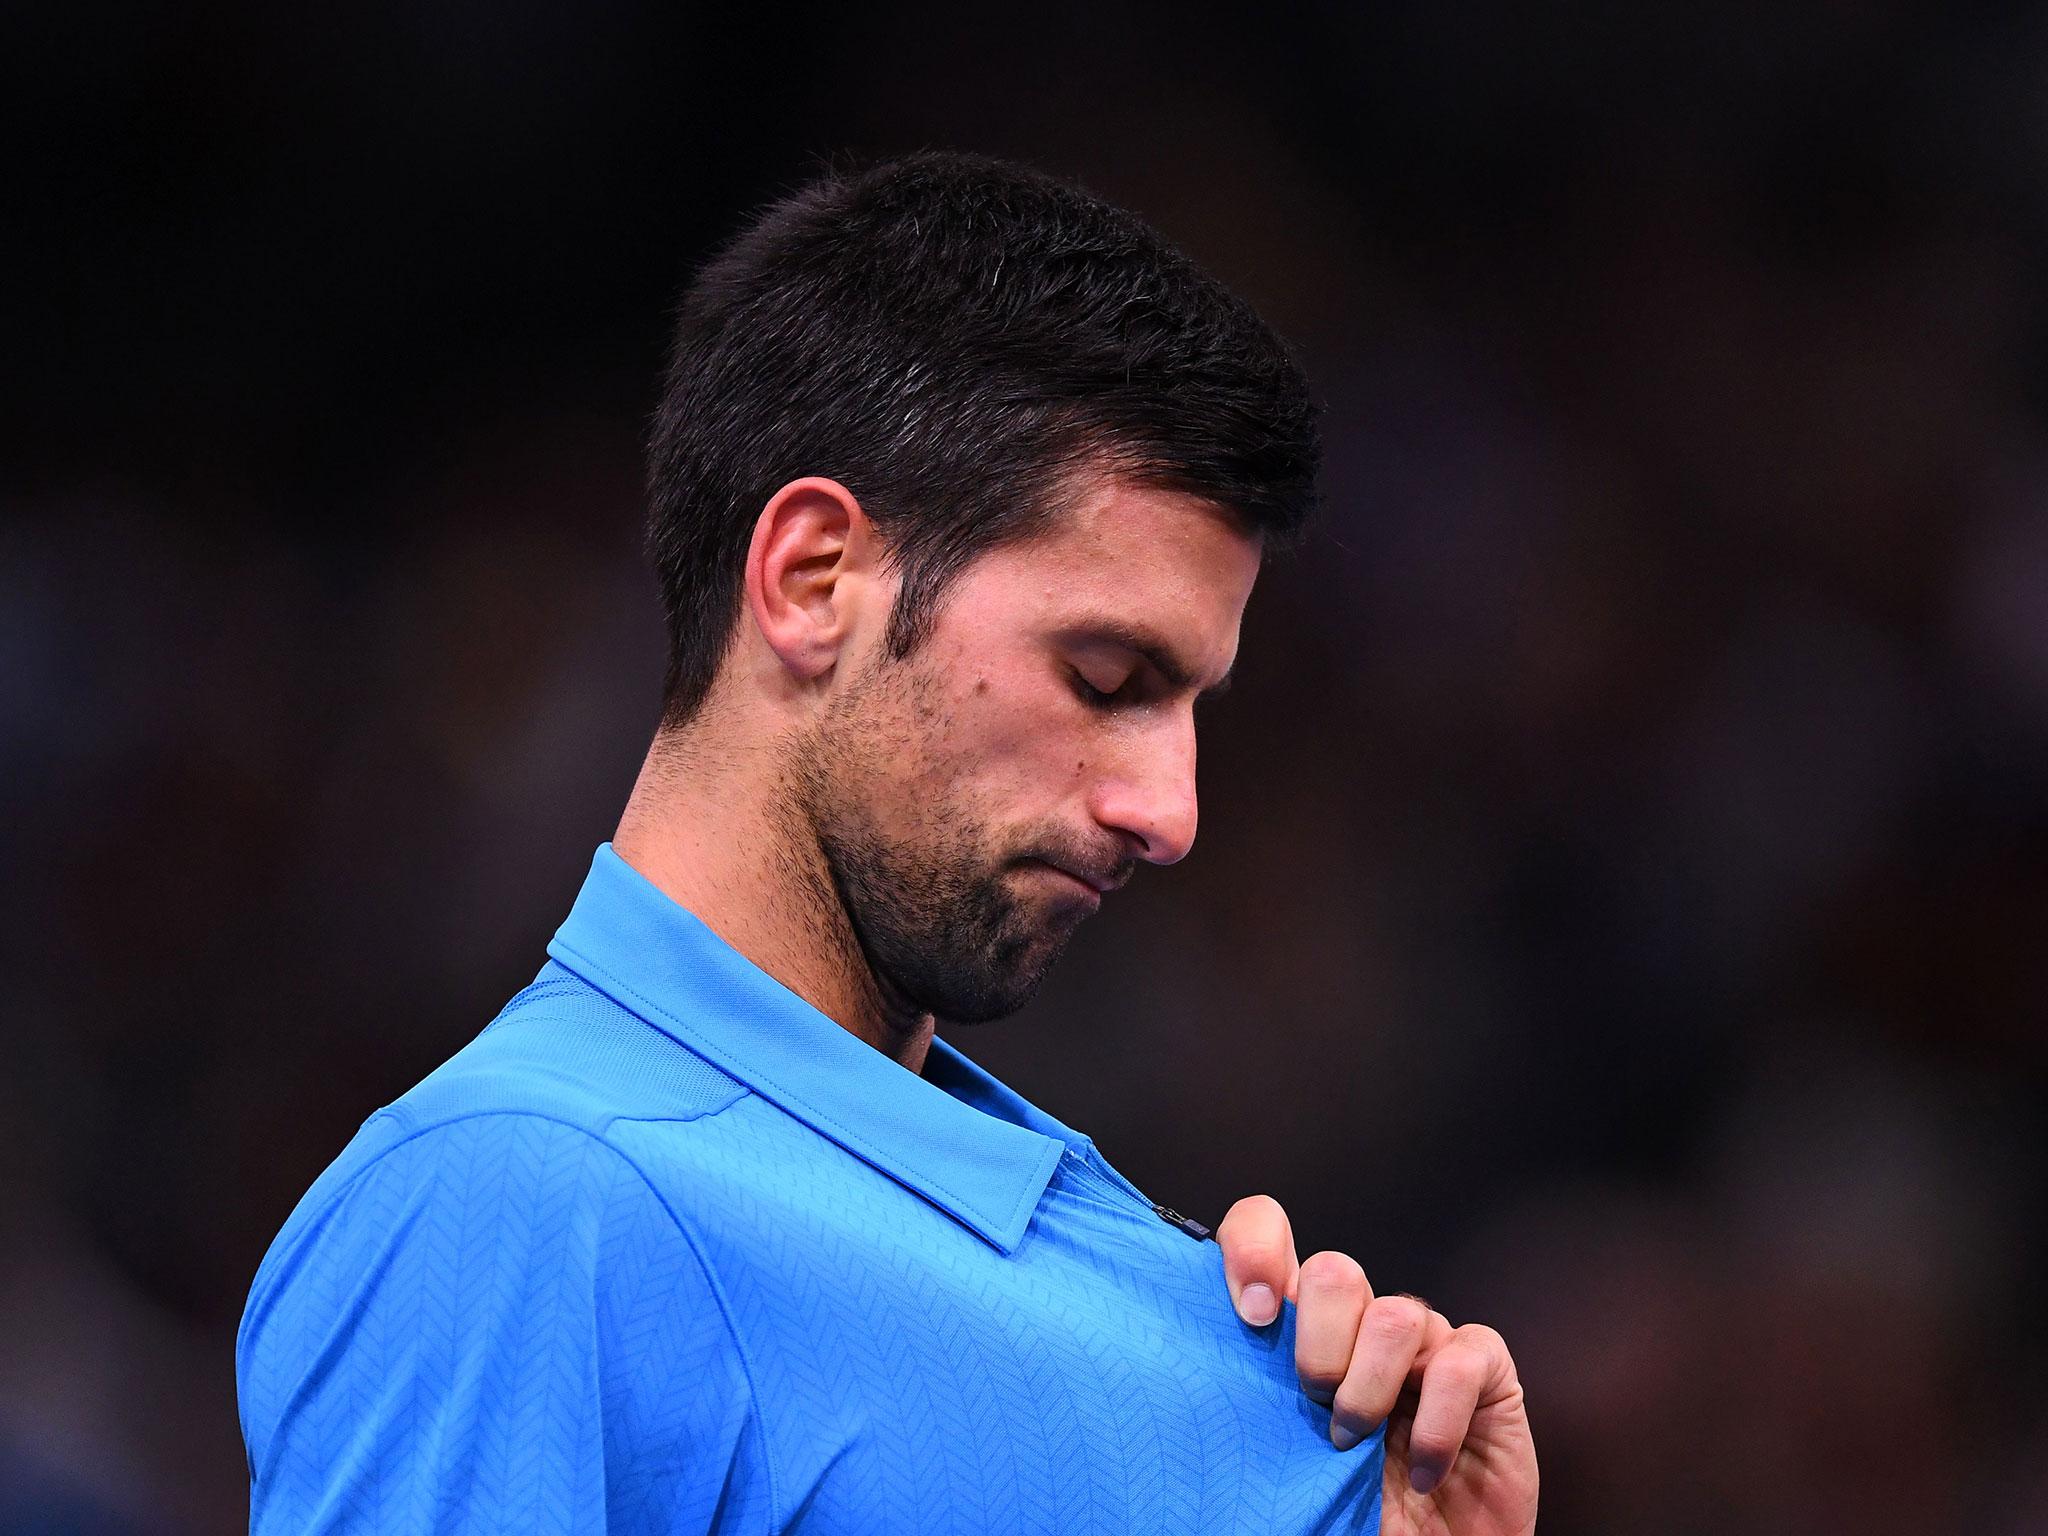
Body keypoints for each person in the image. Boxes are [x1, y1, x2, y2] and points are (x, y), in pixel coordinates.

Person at [236, 151, 1538, 1535]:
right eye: (1104, 678)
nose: (1173, 814)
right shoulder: (516, 1203)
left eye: (1193, 706)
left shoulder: (1205, 1304)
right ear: (812, 581)